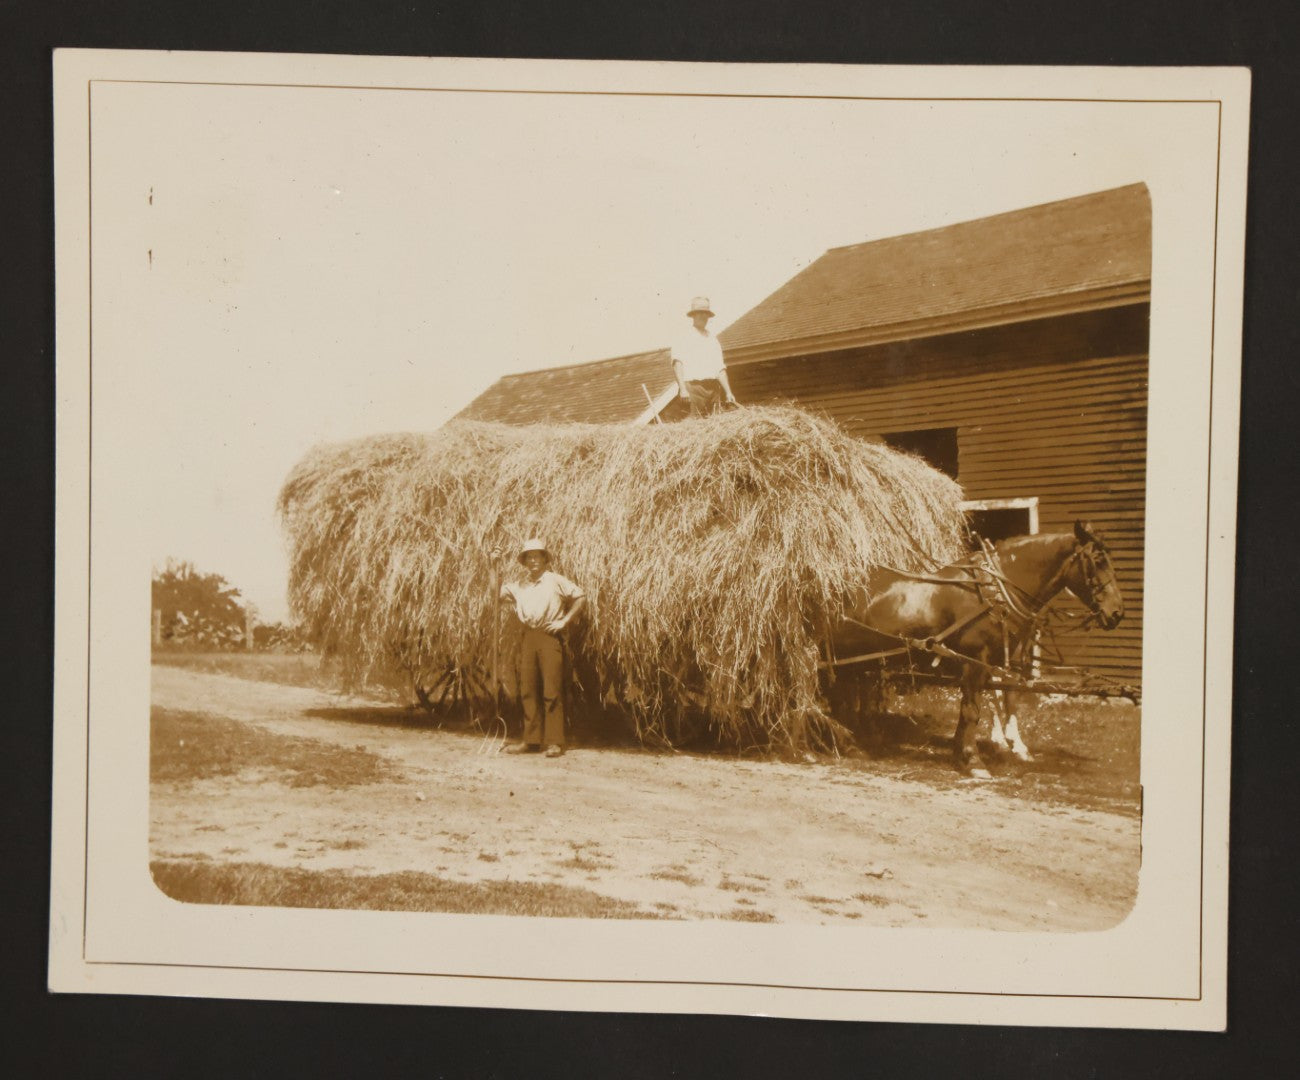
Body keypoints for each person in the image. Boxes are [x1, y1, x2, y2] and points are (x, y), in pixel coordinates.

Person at [498, 538, 587, 758]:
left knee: (551, 689)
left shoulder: (555, 581)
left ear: (545, 559)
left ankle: (554, 742)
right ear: (525, 562)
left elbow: (580, 597)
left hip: (549, 637)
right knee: (527, 689)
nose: (533, 561)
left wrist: (563, 621)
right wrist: (493, 566)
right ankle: (531, 740)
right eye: (529, 557)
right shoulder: (520, 586)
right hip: (529, 637)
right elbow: (495, 595)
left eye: (537, 556)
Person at [670, 296, 738, 417]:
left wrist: (728, 392)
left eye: (705, 313)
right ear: (693, 315)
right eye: (699, 313)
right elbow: (677, 363)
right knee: (694, 426)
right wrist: (683, 389)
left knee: (715, 425)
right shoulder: (683, 336)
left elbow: (720, 368)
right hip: (693, 388)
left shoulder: (712, 339)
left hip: (713, 389)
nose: (703, 316)